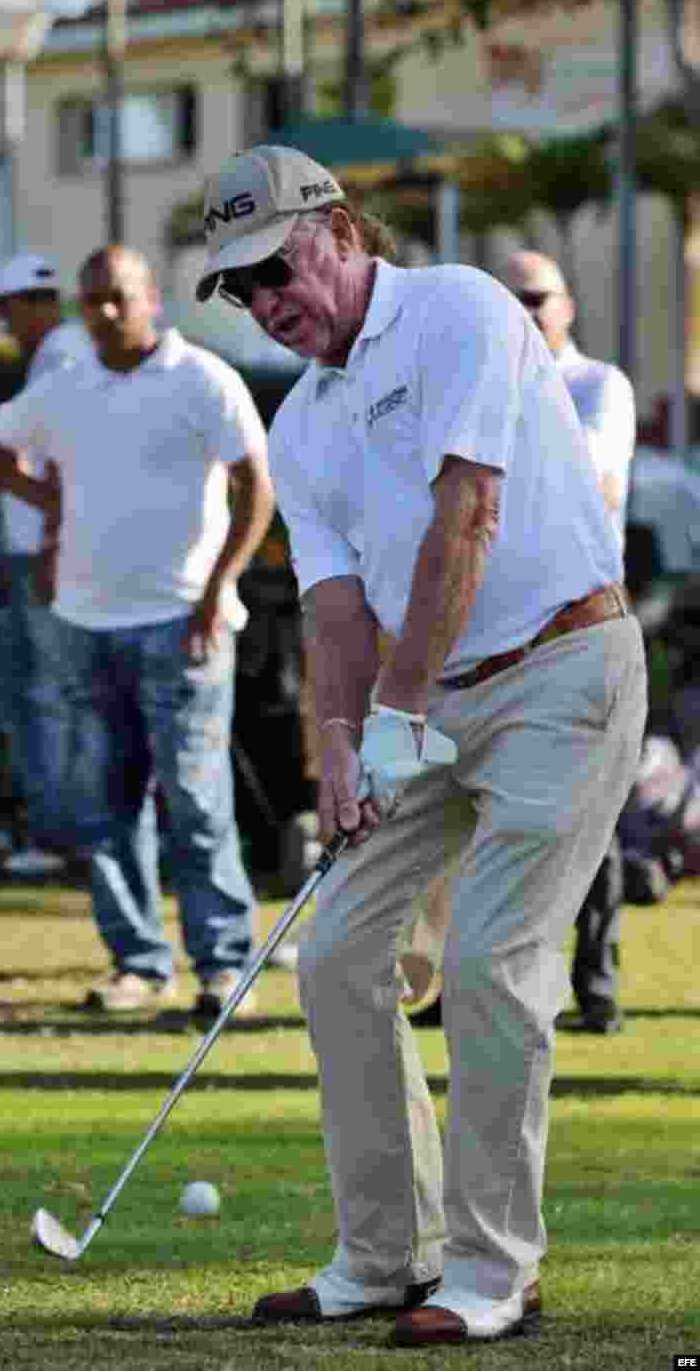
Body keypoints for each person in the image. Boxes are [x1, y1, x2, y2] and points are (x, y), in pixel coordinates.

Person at [196, 144, 646, 1343]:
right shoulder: (302, 421)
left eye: (276, 268)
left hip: (564, 673)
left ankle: (496, 1268)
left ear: (340, 230)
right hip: (425, 704)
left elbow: (470, 519)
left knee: (496, 961)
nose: (270, 302)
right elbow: (335, 608)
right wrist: (341, 741)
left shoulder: (457, 307)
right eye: (242, 291)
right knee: (335, 952)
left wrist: (391, 718)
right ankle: (383, 1255)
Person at [0, 245, 275, 1017]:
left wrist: (219, 586)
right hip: (84, 621)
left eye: (118, 298)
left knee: (198, 803)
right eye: (92, 300)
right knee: (106, 810)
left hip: (183, 622)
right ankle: (139, 964)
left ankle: (222, 965)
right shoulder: (66, 387)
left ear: (151, 302)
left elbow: (255, 486)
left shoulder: (203, 379)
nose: (104, 313)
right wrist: (54, 508)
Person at [503, 249, 637, 1035]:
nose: (523, 313)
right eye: (509, 301)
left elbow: (594, 479)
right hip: (501, 632)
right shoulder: (488, 387)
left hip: (582, 629)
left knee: (597, 819)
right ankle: (480, 985)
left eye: (536, 298)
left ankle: (598, 986)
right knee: (494, 819)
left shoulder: (597, 386)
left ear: (567, 305)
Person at [0, 252, 95, 878]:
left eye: (9, 314)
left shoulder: (62, 355)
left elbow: (63, 460)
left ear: (25, 307)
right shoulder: (63, 353)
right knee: (38, 693)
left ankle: (60, 836)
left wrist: (51, 522)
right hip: (38, 549)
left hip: (47, 553)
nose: (8, 328)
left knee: (50, 695)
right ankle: (57, 831)